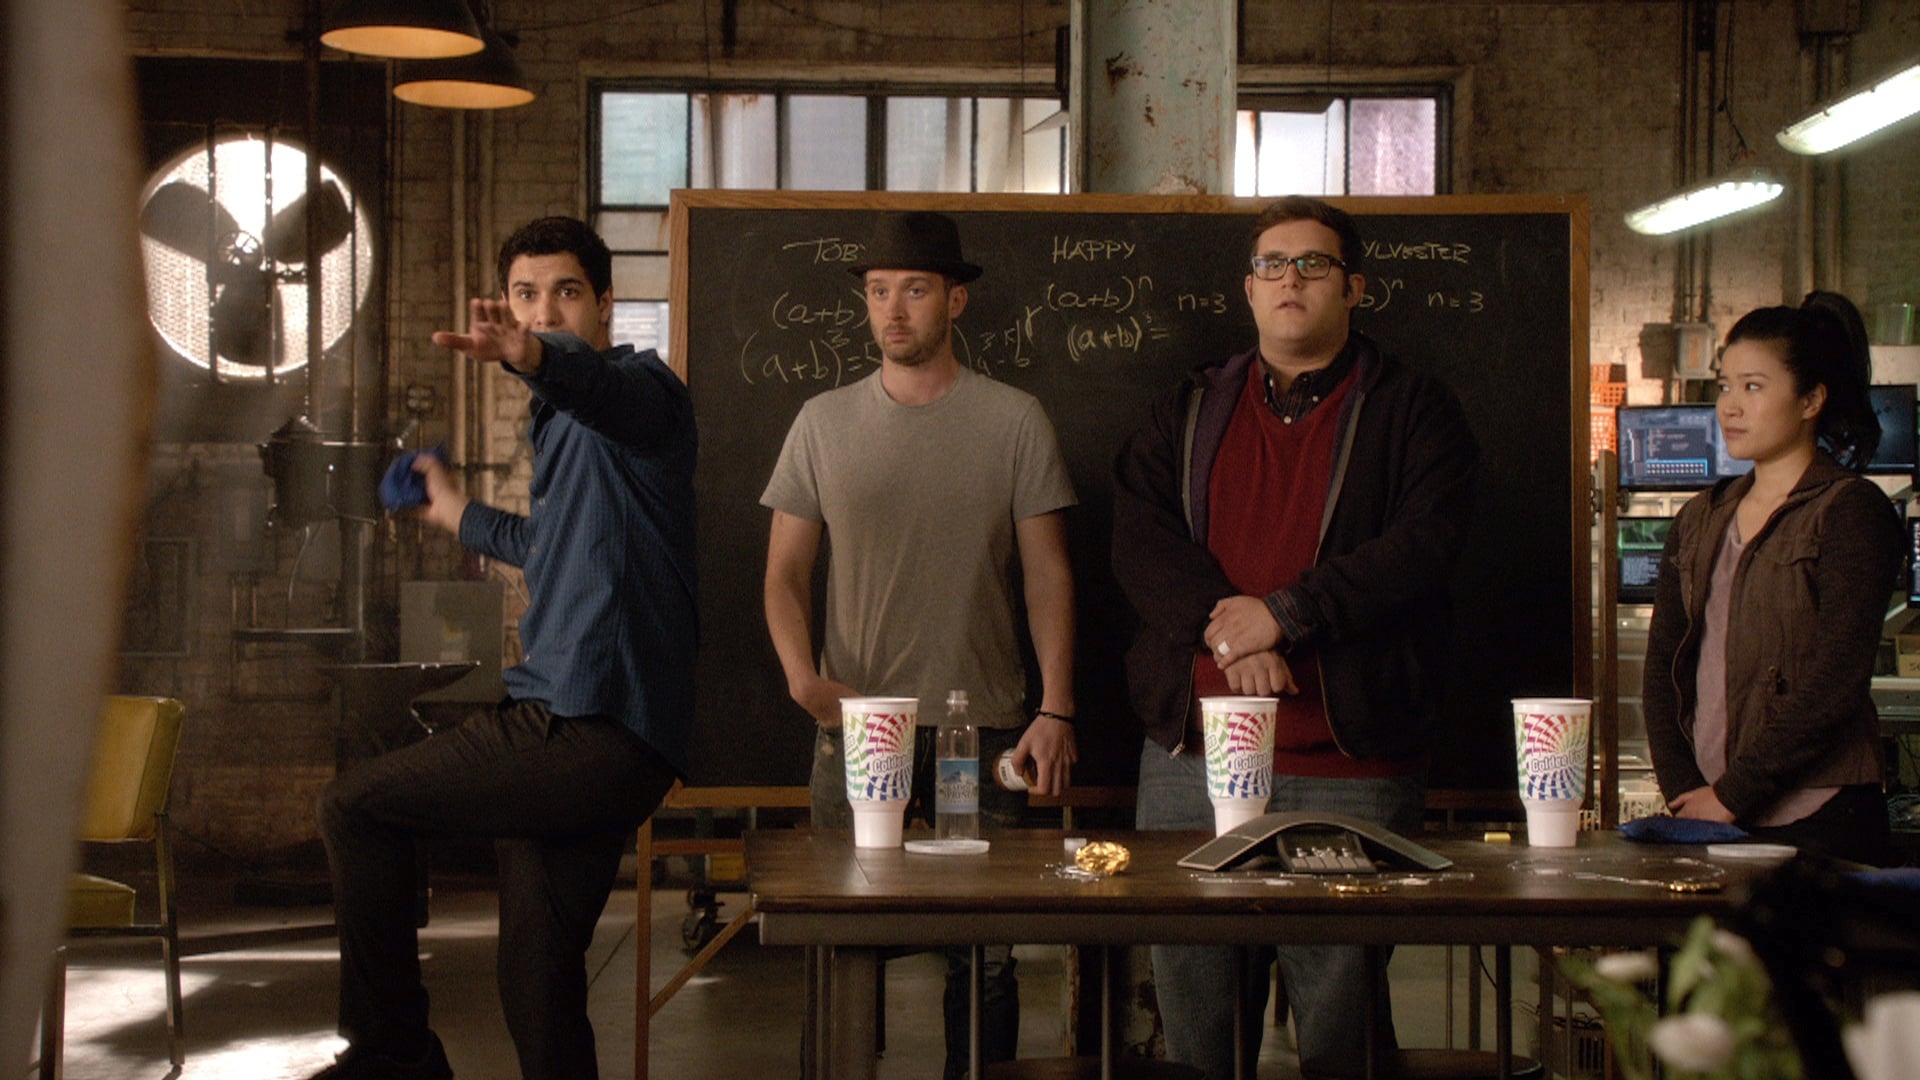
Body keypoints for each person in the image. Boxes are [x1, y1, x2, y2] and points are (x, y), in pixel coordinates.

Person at [311, 216, 697, 1080]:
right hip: (595, 736)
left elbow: (605, 393)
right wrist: (455, 511)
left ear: (606, 303)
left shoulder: (643, 393)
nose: (545, 312)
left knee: (353, 808)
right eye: (526, 295)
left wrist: (532, 356)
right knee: (536, 978)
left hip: (585, 725)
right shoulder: (561, 426)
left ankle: (393, 1058)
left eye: (566, 293)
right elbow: (550, 547)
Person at [1111, 196, 1478, 1079]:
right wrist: (1233, 630)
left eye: (1314, 264)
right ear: (1248, 288)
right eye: (1272, 264)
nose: (1291, 279)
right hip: (1194, 759)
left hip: (1350, 762)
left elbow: (1424, 545)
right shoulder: (1188, 408)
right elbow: (1138, 540)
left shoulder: (1414, 409)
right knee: (1196, 1016)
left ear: (1355, 288)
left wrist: (1287, 613)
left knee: (1340, 1022)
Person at [761, 210, 1079, 1078]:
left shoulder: (1015, 419)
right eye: (877, 292)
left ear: (955, 300)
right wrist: (800, 679)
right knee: (842, 946)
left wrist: (1057, 705)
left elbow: (1048, 574)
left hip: (988, 721)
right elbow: (784, 573)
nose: (893, 310)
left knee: (986, 959)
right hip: (862, 726)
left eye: (914, 290)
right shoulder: (822, 421)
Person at [1643, 291, 1899, 867]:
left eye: (1753, 387)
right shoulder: (1700, 518)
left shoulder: (1849, 511)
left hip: (1821, 819)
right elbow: (1664, 668)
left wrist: (1733, 795)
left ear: (1811, 400)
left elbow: (1834, 682)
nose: (1730, 407)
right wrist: (1688, 793)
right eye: (1724, 386)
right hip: (1709, 812)